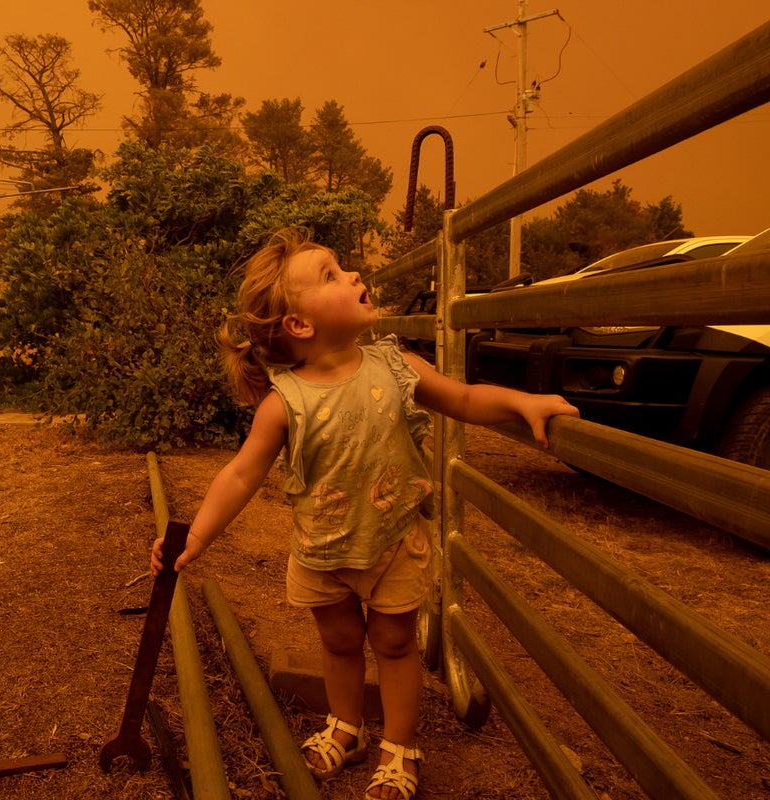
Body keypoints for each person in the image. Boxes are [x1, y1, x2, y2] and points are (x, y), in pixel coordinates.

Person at [151, 227, 578, 800]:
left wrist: (522, 402)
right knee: (340, 642)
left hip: (394, 542)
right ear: (300, 325)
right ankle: (346, 726)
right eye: (330, 274)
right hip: (322, 550)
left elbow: (467, 399)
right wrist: (197, 534)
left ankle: (400, 747)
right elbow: (241, 474)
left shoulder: (398, 367)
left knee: (395, 643)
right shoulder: (285, 401)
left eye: (343, 267)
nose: (353, 274)